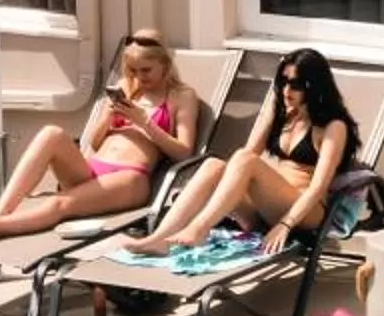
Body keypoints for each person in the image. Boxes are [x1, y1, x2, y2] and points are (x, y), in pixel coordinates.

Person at [0, 29, 202, 245]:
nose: (138, 77)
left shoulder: (181, 97)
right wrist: (107, 120)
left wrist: (144, 122)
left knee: (61, 204)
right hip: (93, 169)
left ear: (165, 64)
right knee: (51, 134)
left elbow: (184, 152)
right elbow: (96, 143)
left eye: (146, 70)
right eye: (132, 70)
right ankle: (2, 212)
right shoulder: (127, 87)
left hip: (130, 179)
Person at [119, 46, 360, 262]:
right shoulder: (281, 112)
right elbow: (245, 157)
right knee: (214, 164)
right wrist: (271, 113)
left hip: (305, 212)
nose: (287, 90)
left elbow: (318, 188)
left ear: (314, 85)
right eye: (283, 82)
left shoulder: (332, 127)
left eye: (296, 84)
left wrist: (286, 224)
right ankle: (160, 238)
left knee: (246, 160)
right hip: (265, 209)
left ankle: (200, 228)